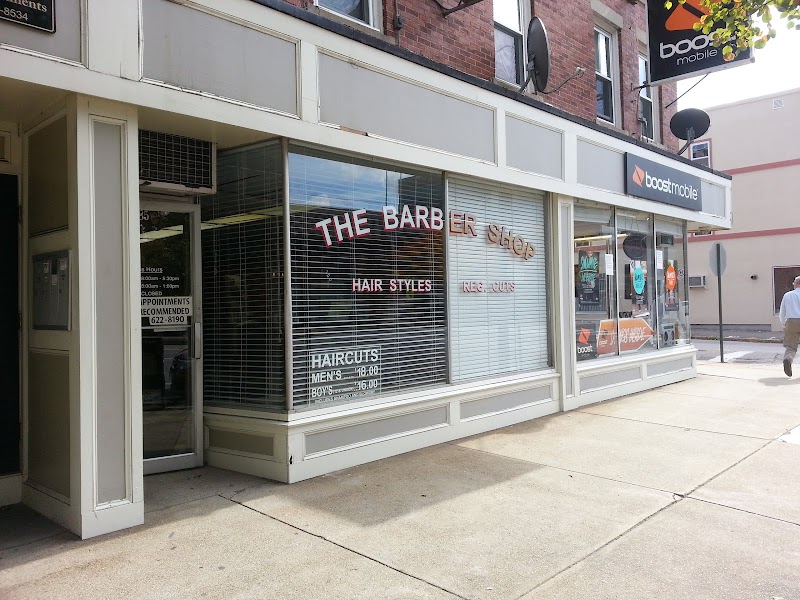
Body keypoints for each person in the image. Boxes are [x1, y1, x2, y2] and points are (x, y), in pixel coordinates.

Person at [778, 275, 800, 377]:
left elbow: (782, 312)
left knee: (791, 346)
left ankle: (788, 359)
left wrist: (784, 324)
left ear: (795, 284)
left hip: (791, 321)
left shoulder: (787, 295)